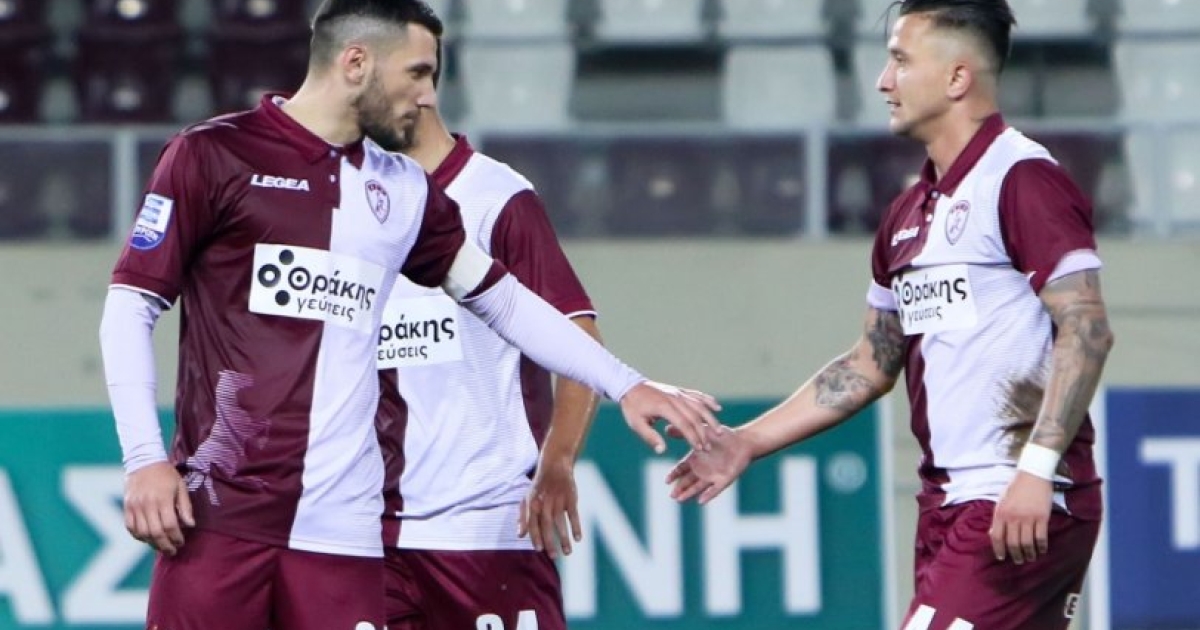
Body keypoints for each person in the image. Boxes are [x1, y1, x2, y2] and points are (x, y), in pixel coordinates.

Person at [97, 1, 719, 628]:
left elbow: (502, 299)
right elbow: (130, 304)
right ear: (356, 63)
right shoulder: (212, 155)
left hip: (344, 534)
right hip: (218, 516)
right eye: (417, 73)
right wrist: (144, 458)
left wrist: (626, 383)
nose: (426, 96)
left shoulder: (404, 190)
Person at [667, 1, 1114, 629]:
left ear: (957, 78)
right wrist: (747, 441)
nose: (883, 81)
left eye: (901, 61)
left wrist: (1036, 470)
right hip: (948, 507)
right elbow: (871, 362)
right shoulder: (908, 214)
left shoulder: (1021, 179)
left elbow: (1087, 328)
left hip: (1012, 500)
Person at [373, 64, 600, 629]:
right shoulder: (348, 202)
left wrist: (557, 462)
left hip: (487, 532)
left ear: (421, 85)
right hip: (369, 537)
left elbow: (580, 344)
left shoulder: (497, 198)